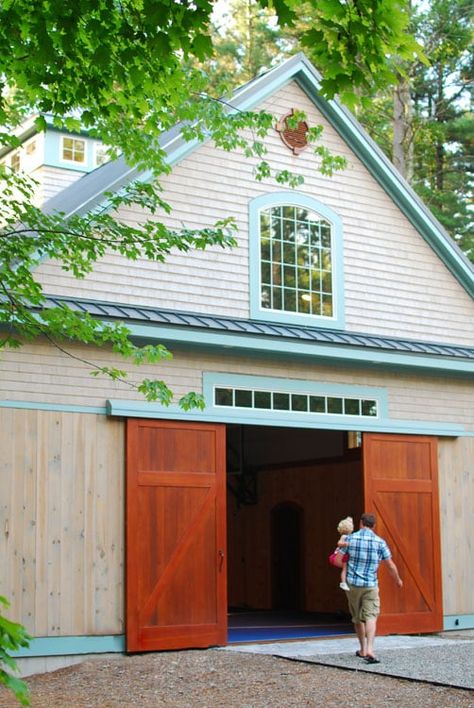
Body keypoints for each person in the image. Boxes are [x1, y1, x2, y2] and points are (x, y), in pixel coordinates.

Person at [340, 512, 403, 664]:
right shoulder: (380, 542)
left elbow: (338, 559)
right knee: (371, 616)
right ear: (374, 526)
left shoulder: (350, 539)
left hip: (352, 585)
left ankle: (361, 649)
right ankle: (370, 648)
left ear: (361, 523)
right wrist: (398, 580)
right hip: (370, 585)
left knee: (357, 618)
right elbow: (390, 565)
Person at [335, 516, 354, 591]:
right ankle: (343, 582)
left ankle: (345, 582)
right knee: (345, 569)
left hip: (345, 554)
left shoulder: (350, 536)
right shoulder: (344, 536)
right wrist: (345, 544)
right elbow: (339, 543)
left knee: (346, 568)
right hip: (342, 555)